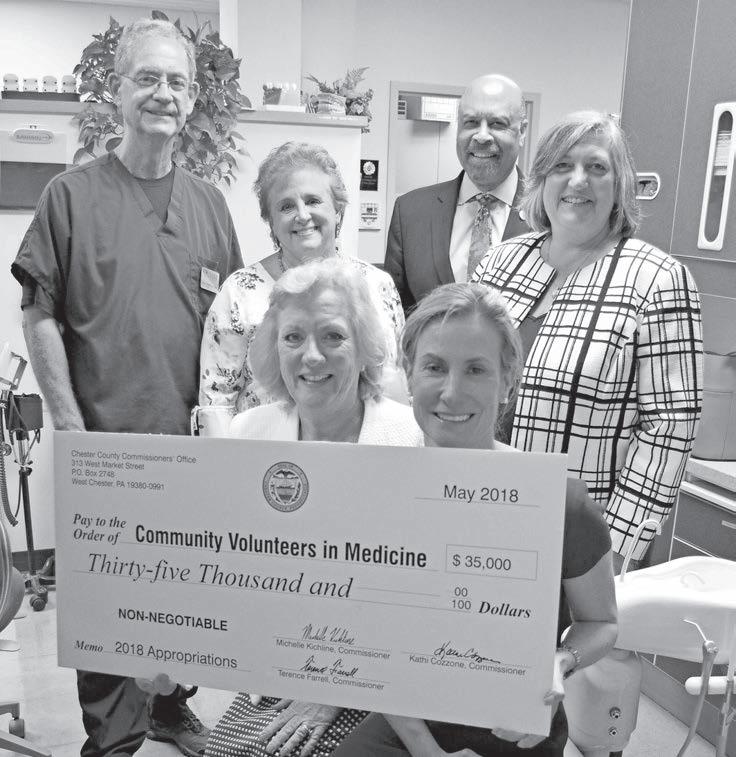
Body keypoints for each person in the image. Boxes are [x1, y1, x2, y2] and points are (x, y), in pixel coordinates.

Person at [11, 18, 243, 757]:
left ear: (193, 98)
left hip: (189, 448)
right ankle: (112, 738)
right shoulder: (70, 196)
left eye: (177, 82)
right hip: (104, 444)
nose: (163, 94)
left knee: (183, 590)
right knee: (110, 598)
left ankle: (171, 706)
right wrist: (70, 425)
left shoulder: (209, 205)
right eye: (147, 78)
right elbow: (39, 313)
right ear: (117, 91)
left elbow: (235, 323)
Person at [332, 283, 618, 757]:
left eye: (476, 369)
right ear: (409, 374)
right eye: (434, 367)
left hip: (517, 724)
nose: (451, 391)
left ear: (507, 382)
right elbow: (372, 636)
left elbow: (602, 621)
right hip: (409, 720)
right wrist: (425, 749)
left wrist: (559, 662)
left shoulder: (559, 503)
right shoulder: (376, 494)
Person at [205, 258, 422, 757]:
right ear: (273, 349)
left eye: (333, 336)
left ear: (364, 348)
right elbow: (233, 572)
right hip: (279, 667)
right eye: (293, 337)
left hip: (385, 677)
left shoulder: (412, 439)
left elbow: (415, 602)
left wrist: (331, 689)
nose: (311, 356)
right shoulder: (249, 433)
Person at [472, 111, 703, 568]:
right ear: (542, 179)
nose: (577, 180)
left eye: (596, 167)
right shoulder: (500, 263)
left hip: (578, 537)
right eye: (562, 165)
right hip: (480, 510)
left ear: (620, 185)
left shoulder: (657, 279)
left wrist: (613, 549)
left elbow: (669, 430)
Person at [197, 141, 405, 424]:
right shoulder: (239, 292)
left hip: (361, 447)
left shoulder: (377, 286)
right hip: (262, 448)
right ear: (271, 221)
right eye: (286, 206)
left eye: (313, 201)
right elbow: (216, 403)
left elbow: (394, 387)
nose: (302, 215)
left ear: (338, 209)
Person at [384, 74, 529, 313]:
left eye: (497, 124)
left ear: (522, 131)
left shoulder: (548, 213)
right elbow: (396, 315)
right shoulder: (410, 212)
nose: (482, 136)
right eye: (471, 122)